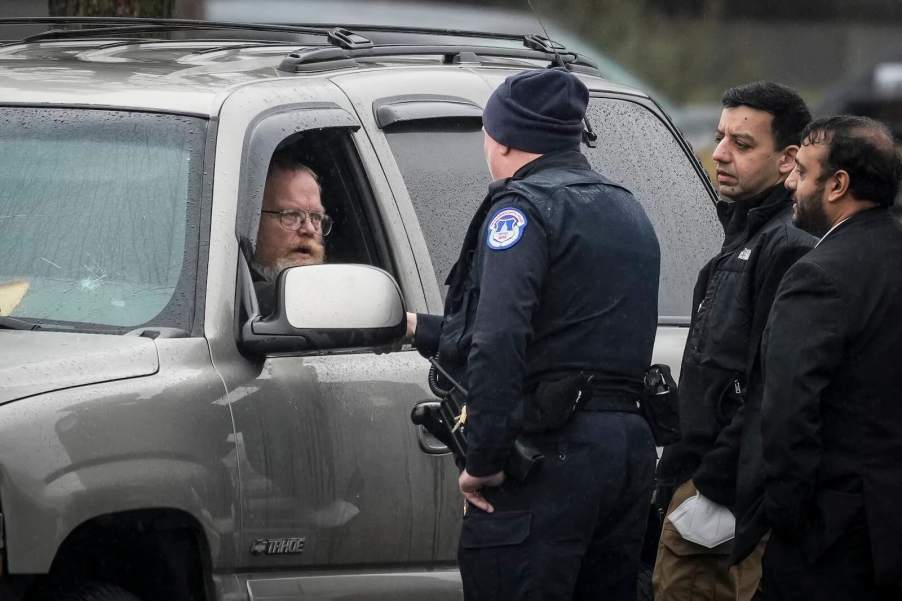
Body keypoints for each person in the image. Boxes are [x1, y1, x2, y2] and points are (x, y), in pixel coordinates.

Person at [405, 67, 661, 600]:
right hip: (626, 455)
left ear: (501, 137)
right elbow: (571, 329)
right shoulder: (627, 206)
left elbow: (499, 342)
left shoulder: (519, 211)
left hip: (547, 457)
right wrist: (420, 329)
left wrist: (484, 461)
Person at [653, 81, 815, 601]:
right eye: (720, 137)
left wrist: (715, 487)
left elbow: (772, 389)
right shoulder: (742, 235)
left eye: (743, 145)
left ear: (789, 159)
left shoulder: (786, 246)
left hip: (726, 500)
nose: (720, 153)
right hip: (696, 481)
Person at [733, 115, 902, 600]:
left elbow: (788, 412)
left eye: (802, 172)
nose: (790, 181)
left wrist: (786, 515)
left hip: (831, 541)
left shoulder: (818, 275)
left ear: (838, 184)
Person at [251, 149, 331, 314]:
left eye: (316, 217)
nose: (309, 229)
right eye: (291, 215)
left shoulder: (339, 296)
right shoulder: (234, 299)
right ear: (254, 222)